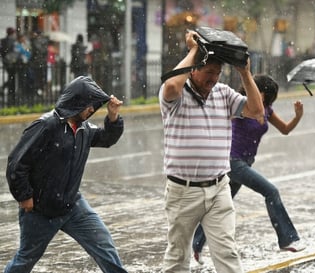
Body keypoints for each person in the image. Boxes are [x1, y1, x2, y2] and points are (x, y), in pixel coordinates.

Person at [159, 30, 264, 273]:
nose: (214, 79)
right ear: (193, 70)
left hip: (218, 188)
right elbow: (172, 85)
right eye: (208, 73)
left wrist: (245, 73)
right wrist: (194, 50)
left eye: (217, 73)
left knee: (227, 251)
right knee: (177, 256)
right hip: (183, 191)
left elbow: (257, 110)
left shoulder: (224, 94)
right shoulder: (176, 95)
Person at [5, 76, 129, 273]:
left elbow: (107, 138)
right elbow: (17, 164)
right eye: (90, 105)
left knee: (104, 245)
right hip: (40, 210)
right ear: (77, 102)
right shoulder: (47, 125)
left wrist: (113, 117)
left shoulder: (84, 129)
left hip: (73, 206)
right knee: (25, 260)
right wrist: (24, 196)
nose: (92, 110)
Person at [192, 74, 306, 265]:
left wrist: (298, 117)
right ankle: (287, 239)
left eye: (264, 95)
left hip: (245, 162)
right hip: (233, 161)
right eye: (259, 92)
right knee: (271, 191)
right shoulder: (241, 106)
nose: (261, 97)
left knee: (217, 207)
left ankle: (195, 245)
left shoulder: (267, 110)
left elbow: (285, 129)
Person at [1, 27, 18, 106]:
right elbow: (14, 51)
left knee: (11, 77)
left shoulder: (3, 40)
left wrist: (4, 58)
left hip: (6, 62)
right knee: (12, 78)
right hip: (12, 62)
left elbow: (2, 51)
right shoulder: (13, 41)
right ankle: (11, 94)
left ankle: (8, 91)